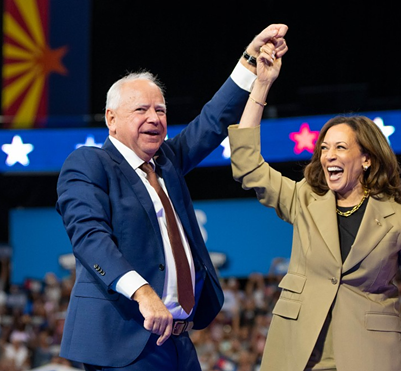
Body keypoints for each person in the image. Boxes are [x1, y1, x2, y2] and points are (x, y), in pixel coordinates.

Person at [55, 24, 288, 371]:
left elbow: (212, 120)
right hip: (125, 345)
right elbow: (89, 237)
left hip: (179, 343)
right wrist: (142, 292)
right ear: (111, 119)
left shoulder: (167, 162)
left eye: (160, 110)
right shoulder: (90, 163)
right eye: (141, 110)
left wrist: (251, 61)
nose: (154, 118)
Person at [227, 47, 401, 369]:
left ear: (367, 159)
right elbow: (247, 164)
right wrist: (261, 86)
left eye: (341, 147)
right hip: (299, 351)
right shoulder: (304, 198)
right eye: (324, 148)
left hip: (370, 353)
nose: (328, 155)